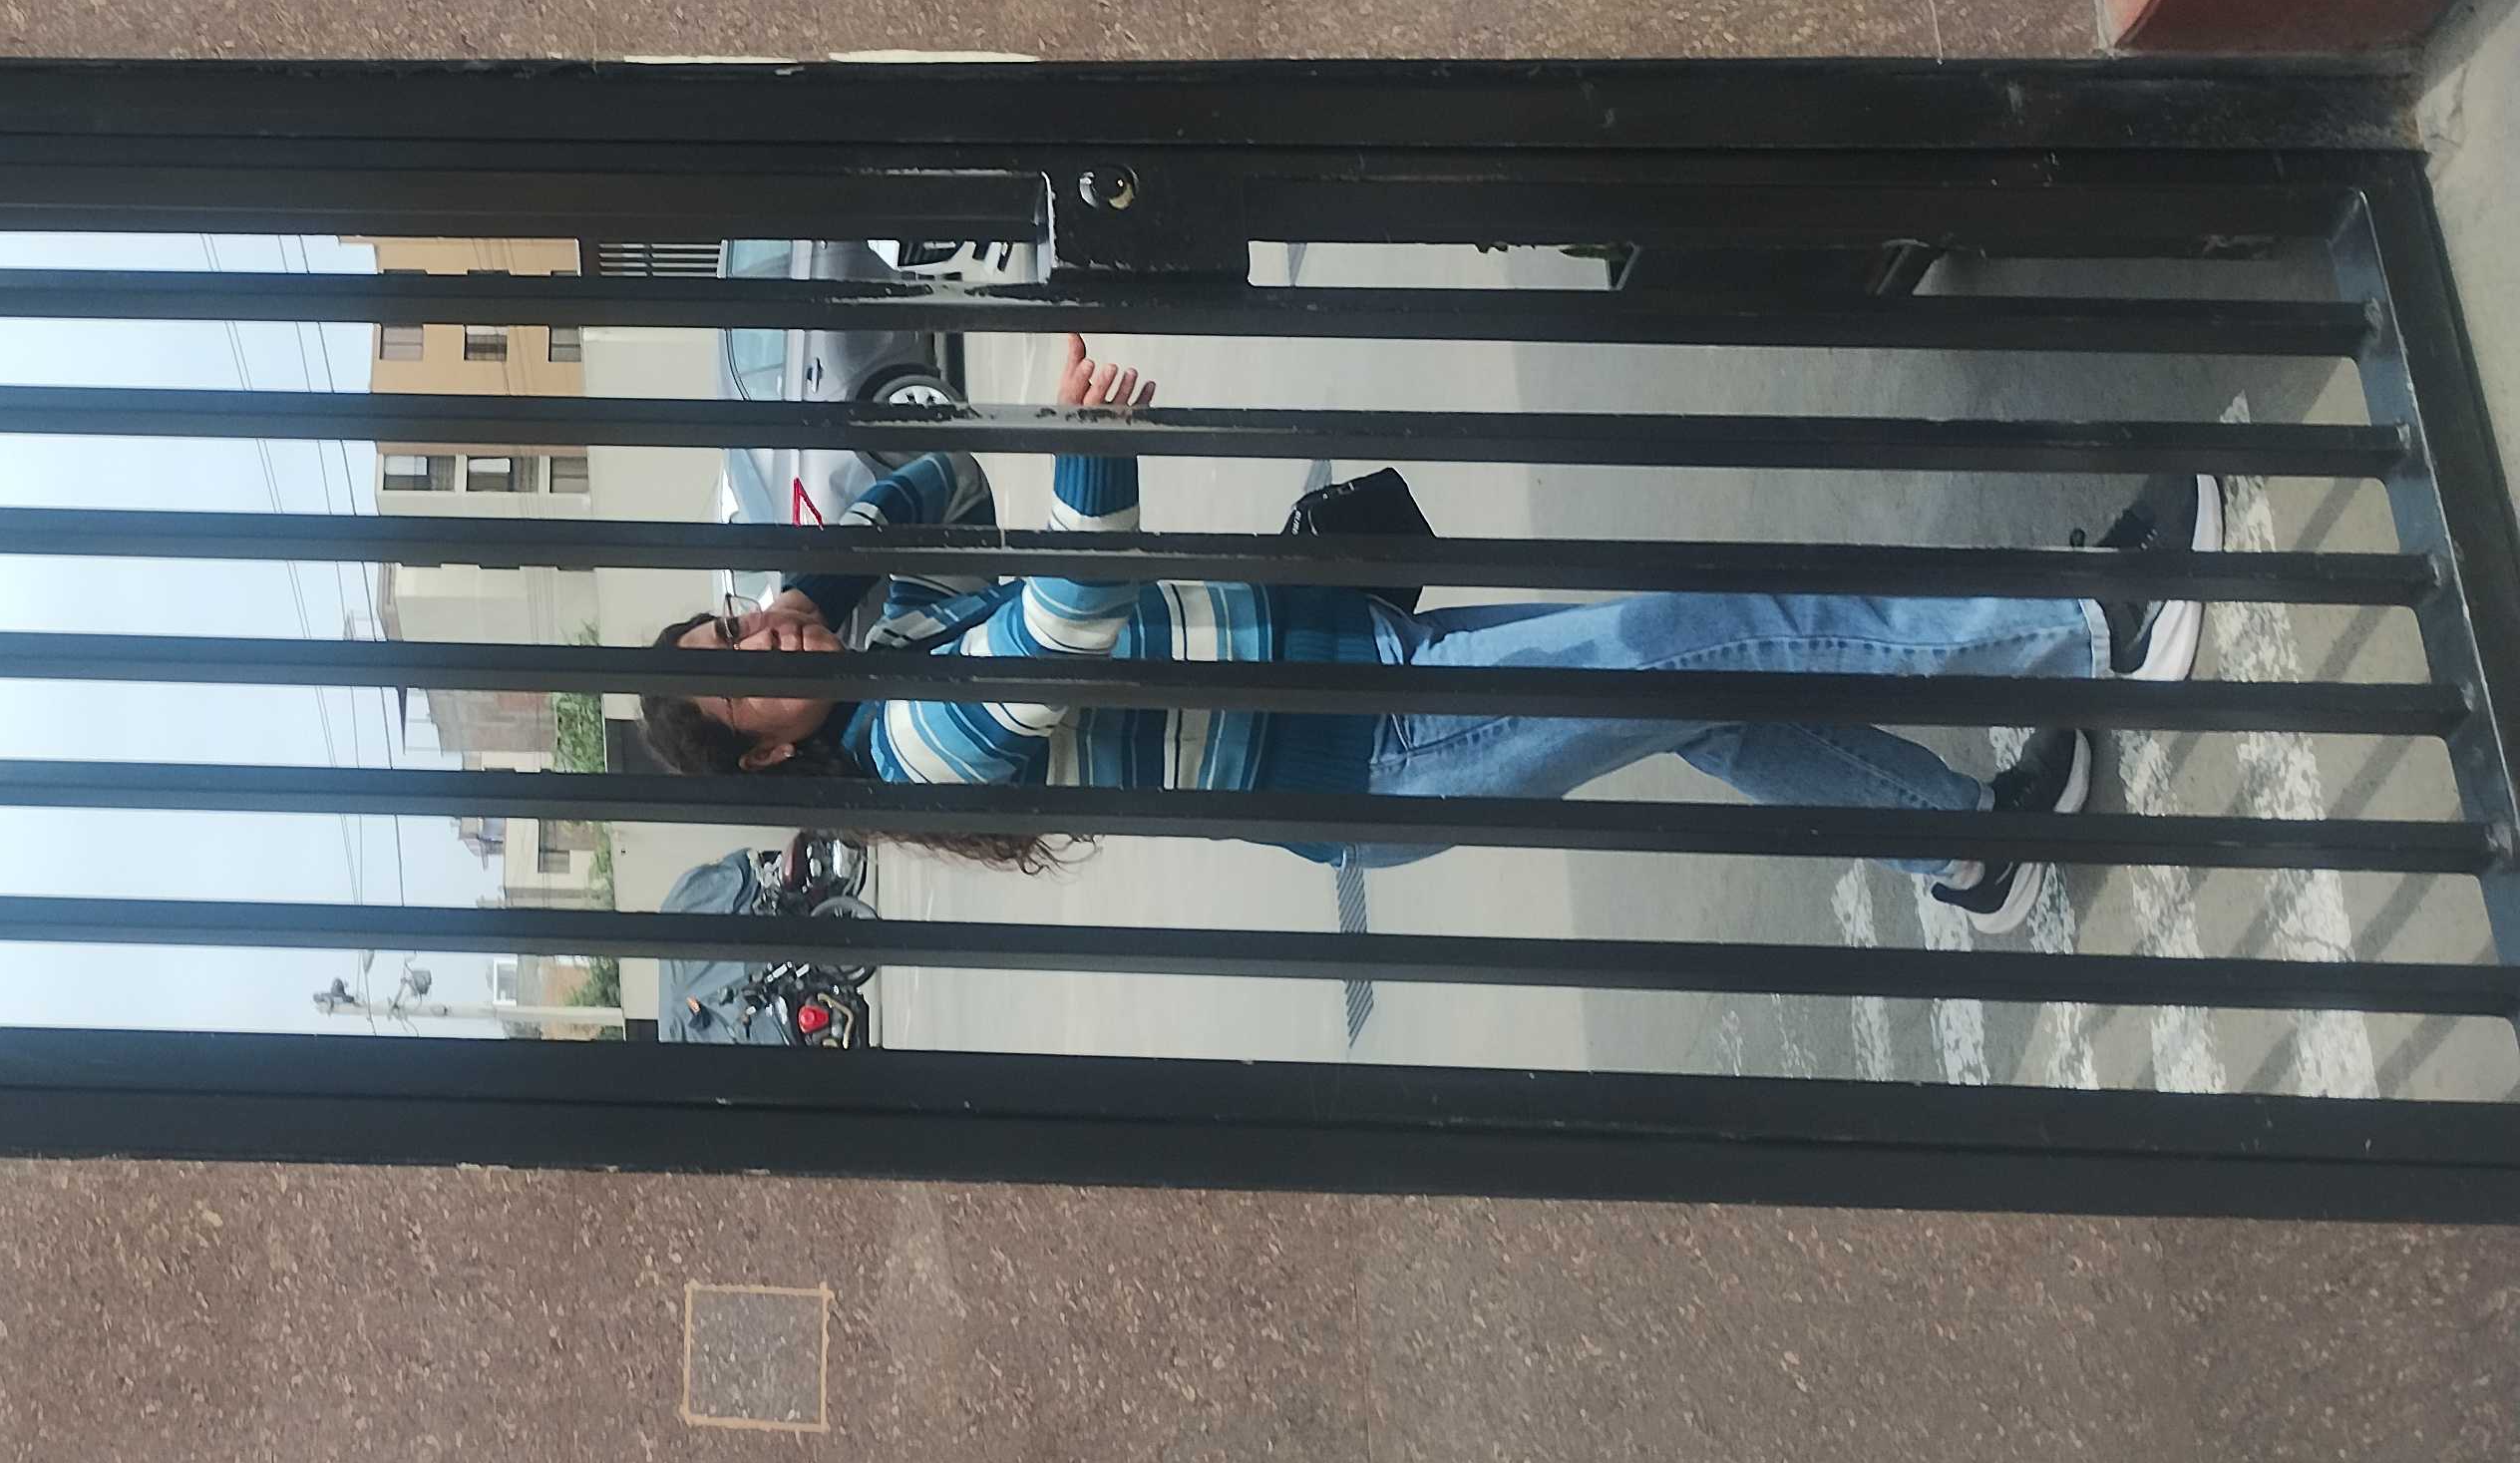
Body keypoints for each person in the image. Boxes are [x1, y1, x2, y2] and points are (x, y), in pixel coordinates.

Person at [639, 336, 2219, 935]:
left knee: (1700, 696)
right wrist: (1094, 453)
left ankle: (1968, 849)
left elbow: (947, 480)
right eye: (745, 678)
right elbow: (1064, 627)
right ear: (767, 758)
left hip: (1368, 669)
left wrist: (826, 573)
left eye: (737, 623)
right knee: (1693, 639)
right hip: (1379, 749)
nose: (761, 640)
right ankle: (2093, 628)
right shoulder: (913, 750)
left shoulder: (883, 638)